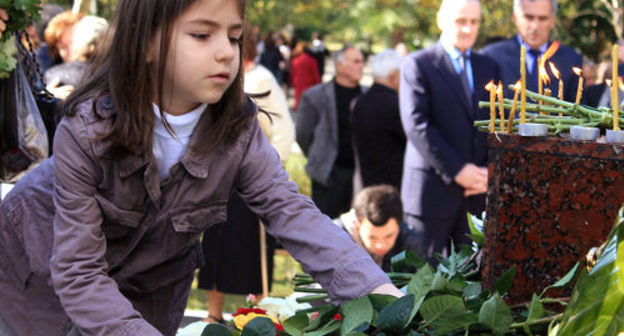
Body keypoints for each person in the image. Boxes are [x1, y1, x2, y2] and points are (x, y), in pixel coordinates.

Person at [0, 1, 402, 336]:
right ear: (147, 42)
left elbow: (292, 213)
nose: (227, 51)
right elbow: (78, 272)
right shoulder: (88, 129)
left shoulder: (237, 129)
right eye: (201, 35)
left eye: (233, 35)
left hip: (147, 298)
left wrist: (382, 296)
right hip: (33, 289)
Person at [197, 27, 295, 324]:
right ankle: (214, 315)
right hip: (218, 180)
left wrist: (261, 168)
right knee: (216, 246)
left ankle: (260, 316)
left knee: (251, 250)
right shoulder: (219, 78)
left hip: (248, 181)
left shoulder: (261, 79)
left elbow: (285, 133)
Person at [399, 0, 500, 264]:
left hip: (476, 195)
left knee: (472, 282)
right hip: (431, 192)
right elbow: (417, 125)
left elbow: (497, 123)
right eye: (460, 21)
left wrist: (487, 172)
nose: (467, 28)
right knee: (418, 282)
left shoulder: (489, 67)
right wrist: (458, 171)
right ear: (441, 20)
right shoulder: (418, 64)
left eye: (474, 22)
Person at [296, 44, 366, 219]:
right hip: (327, 175)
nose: (361, 66)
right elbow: (303, 135)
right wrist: (319, 156)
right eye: (356, 61)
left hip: (359, 177)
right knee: (324, 230)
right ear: (339, 66)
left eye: (362, 61)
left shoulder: (368, 96)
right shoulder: (314, 96)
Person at [481, 0, 582, 101]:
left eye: (542, 18)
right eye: (528, 17)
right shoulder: (492, 57)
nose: (535, 27)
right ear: (515, 18)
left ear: (552, 21)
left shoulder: (570, 59)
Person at [334, 185, 423, 272]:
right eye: (372, 237)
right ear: (357, 225)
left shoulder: (411, 241)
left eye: (389, 236)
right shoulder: (334, 238)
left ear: (399, 225)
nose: (380, 245)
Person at [352, 49, 406, 192]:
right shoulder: (397, 105)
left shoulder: (359, 102)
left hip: (365, 185)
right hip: (393, 187)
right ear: (394, 76)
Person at [289, 41, 321, 110]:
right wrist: (319, 84)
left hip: (298, 82)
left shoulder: (296, 60)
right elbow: (316, 74)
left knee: (298, 97)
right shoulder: (312, 60)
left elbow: (293, 73)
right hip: (309, 82)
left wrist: (292, 82)